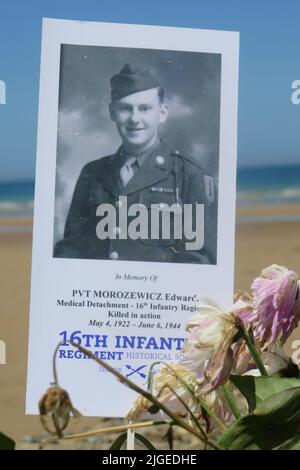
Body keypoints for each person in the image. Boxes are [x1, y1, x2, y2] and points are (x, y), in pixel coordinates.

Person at [54, 63, 217, 264]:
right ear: (112, 112)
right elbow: (72, 247)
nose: (135, 119)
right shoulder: (92, 173)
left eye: (145, 108)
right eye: (125, 108)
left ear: (162, 112)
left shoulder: (189, 175)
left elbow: (199, 258)